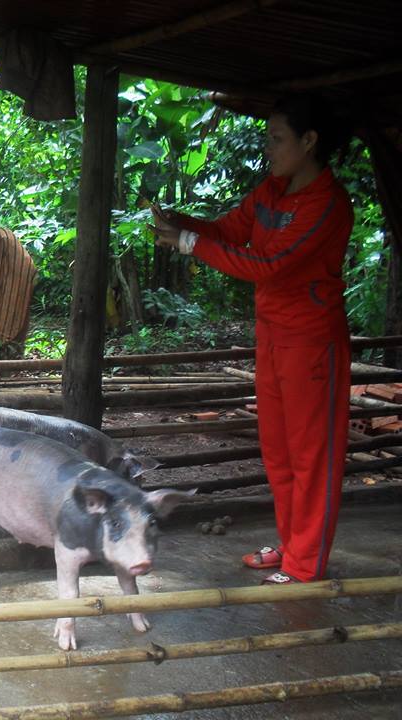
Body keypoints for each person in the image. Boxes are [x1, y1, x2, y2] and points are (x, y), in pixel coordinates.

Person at [149, 94, 353, 584]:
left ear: (309, 142)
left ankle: (306, 565)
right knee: (279, 452)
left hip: (311, 344)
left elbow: (269, 266)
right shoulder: (272, 192)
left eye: (276, 138)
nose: (268, 148)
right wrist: (182, 223)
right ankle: (292, 547)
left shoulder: (327, 204)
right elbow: (228, 230)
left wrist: (189, 243)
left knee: (312, 456)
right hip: (272, 337)